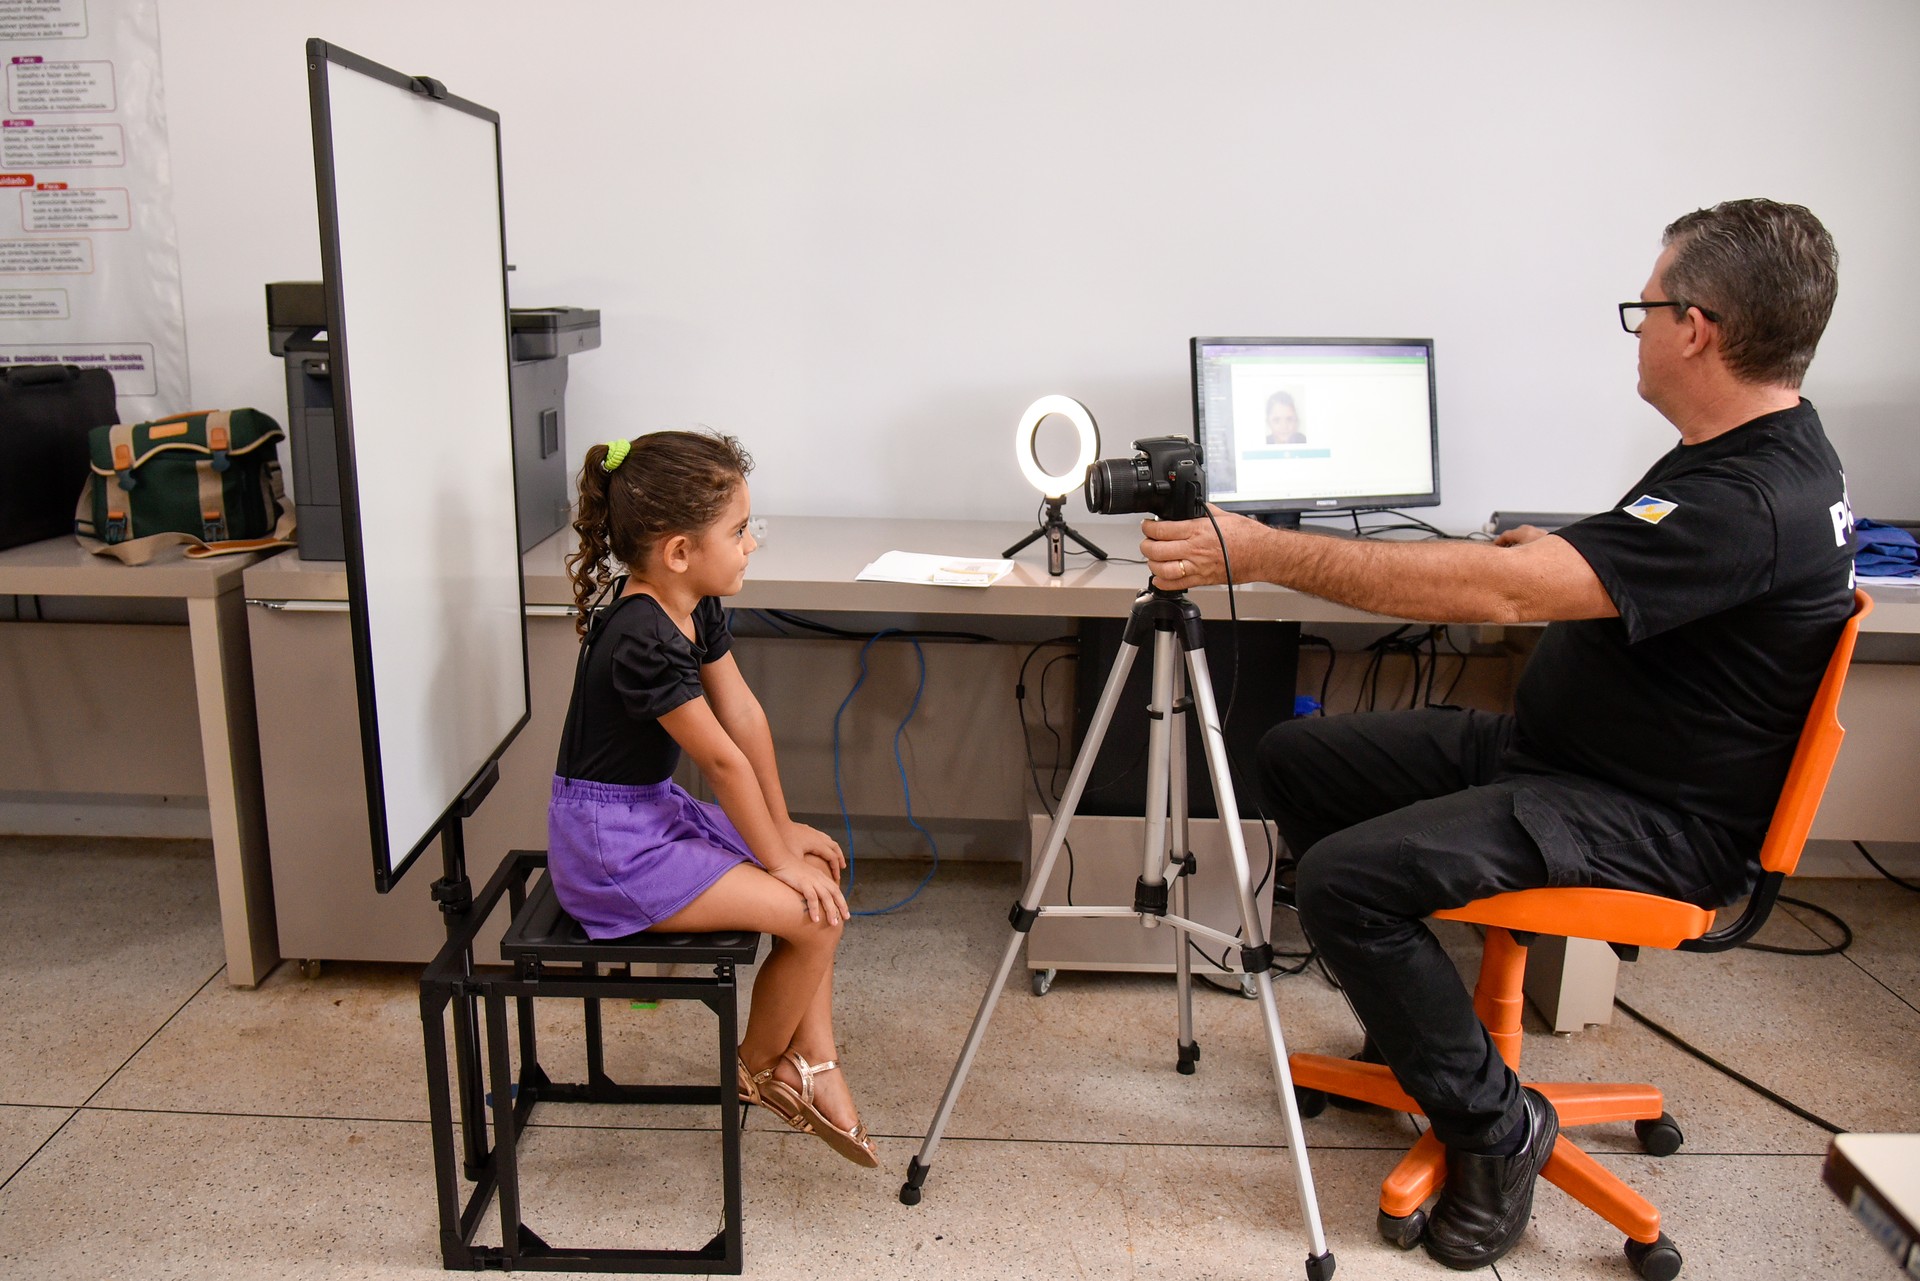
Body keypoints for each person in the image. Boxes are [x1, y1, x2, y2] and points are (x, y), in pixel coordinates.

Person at [1137, 199, 1851, 1270]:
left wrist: (1266, 551)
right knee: (1296, 758)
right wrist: (1559, 555)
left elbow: (1516, 601)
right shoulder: (1751, 450)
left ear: (1697, 326)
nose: (1641, 329)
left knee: (1341, 882)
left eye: (1645, 308)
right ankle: (1418, 1034)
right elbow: (1632, 567)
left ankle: (1497, 1129)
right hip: (1571, 758)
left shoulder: (1750, 494)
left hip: (1649, 816)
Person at [550, 429, 879, 1168]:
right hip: (610, 848)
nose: (751, 544)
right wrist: (775, 855)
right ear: (677, 551)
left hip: (647, 813)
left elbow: (745, 717)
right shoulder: (640, 634)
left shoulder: (692, 605)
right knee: (817, 917)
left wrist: (786, 831)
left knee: (818, 878)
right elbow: (721, 760)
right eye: (737, 530)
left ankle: (813, 1061)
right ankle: (757, 1067)